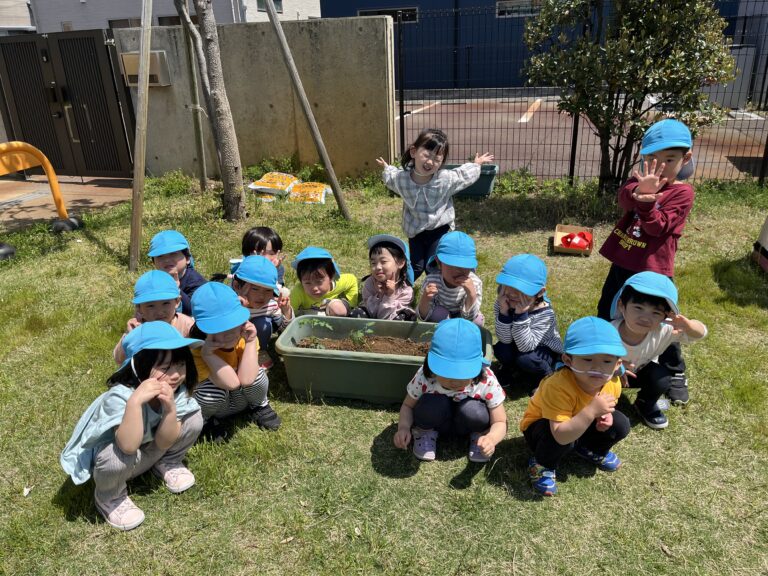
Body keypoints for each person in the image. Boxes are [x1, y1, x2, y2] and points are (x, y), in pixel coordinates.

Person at [60, 322, 204, 531]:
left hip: (150, 451)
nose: (175, 375)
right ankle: (110, 497)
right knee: (115, 455)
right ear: (140, 367)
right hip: (118, 463)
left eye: (180, 364)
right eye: (165, 368)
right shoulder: (120, 396)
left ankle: (168, 463)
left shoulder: (177, 391)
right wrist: (135, 403)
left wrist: (170, 410)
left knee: (194, 417)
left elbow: (165, 441)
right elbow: (127, 446)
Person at [595, 119, 695, 405]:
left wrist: (649, 200)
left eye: (669, 159)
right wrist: (638, 193)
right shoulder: (638, 181)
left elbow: (657, 227)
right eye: (652, 159)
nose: (659, 166)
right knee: (608, 310)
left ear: (685, 158)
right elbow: (625, 199)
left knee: (664, 323)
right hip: (624, 263)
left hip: (654, 272)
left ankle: (675, 371)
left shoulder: (682, 193)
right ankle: (605, 358)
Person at [520, 317, 630, 496]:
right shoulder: (558, 386)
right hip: (545, 428)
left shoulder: (613, 383)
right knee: (564, 439)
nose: (598, 368)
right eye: (587, 360)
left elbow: (607, 407)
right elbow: (560, 434)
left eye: (607, 361)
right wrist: (592, 411)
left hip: (579, 422)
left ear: (618, 364)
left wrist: (605, 416)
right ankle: (542, 463)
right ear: (568, 360)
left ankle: (590, 449)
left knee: (620, 423)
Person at [376, 128, 494, 279]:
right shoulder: (402, 179)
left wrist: (476, 164)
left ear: (442, 162)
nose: (430, 162)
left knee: (432, 265)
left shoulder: (444, 180)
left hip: (439, 228)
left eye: (437, 159)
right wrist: (387, 168)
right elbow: (391, 177)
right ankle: (402, 292)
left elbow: (462, 175)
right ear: (413, 152)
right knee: (416, 266)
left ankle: (437, 293)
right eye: (426, 155)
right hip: (415, 229)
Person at [393, 318, 506, 463]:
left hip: (468, 423)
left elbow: (501, 421)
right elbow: (408, 405)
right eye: (446, 372)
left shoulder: (486, 379)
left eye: (463, 374)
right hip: (436, 420)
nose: (454, 381)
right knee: (431, 405)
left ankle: (478, 436)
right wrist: (403, 427)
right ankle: (425, 431)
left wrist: (491, 438)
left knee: (474, 411)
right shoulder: (426, 376)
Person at [610, 272, 707, 429]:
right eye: (638, 308)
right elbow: (589, 361)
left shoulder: (663, 331)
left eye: (655, 313)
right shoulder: (608, 332)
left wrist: (688, 325)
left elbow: (701, 333)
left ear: (665, 316)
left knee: (661, 376)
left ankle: (644, 403)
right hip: (606, 374)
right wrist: (616, 368)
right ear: (622, 305)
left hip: (636, 374)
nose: (645, 318)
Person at [190, 282, 281, 441]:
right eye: (218, 328)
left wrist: (251, 341)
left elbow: (247, 379)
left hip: (244, 399)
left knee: (257, 373)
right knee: (208, 390)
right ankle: (205, 421)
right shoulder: (198, 349)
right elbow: (230, 383)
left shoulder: (245, 337)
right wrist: (209, 355)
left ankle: (259, 406)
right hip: (218, 406)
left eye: (233, 324)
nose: (229, 334)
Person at [493, 254, 563, 394]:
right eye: (508, 286)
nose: (512, 293)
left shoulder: (545, 314)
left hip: (541, 350)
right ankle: (511, 368)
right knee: (501, 348)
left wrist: (520, 315)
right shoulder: (503, 303)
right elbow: (504, 338)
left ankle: (546, 376)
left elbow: (526, 346)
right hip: (517, 342)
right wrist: (504, 313)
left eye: (521, 289)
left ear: (539, 293)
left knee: (526, 358)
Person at [113, 270, 195, 365]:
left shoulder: (187, 325)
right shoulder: (139, 328)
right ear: (139, 309)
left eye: (165, 303)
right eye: (151, 306)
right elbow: (119, 359)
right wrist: (129, 336)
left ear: (177, 302)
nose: (159, 311)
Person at [231, 255, 293, 369]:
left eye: (268, 290)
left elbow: (285, 331)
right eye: (255, 289)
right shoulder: (229, 302)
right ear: (237, 286)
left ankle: (260, 351)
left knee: (262, 323)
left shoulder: (271, 305)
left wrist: (286, 311)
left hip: (256, 340)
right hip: (229, 342)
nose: (261, 296)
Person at [418, 231, 484, 326]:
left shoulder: (474, 283)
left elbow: (471, 318)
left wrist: (471, 294)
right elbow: (423, 317)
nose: (460, 270)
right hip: (441, 318)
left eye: (465, 265)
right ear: (439, 262)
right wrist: (425, 299)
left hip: (464, 318)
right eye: (453, 265)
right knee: (439, 314)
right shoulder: (432, 281)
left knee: (477, 321)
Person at [350, 234, 416, 321]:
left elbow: (385, 317)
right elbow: (372, 313)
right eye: (373, 263)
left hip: (392, 324)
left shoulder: (405, 291)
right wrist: (378, 295)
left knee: (408, 315)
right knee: (356, 313)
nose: (377, 267)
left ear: (400, 263)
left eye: (383, 261)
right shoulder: (370, 284)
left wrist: (389, 296)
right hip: (371, 320)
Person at [149, 230, 207, 316]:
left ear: (187, 258)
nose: (167, 260)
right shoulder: (154, 280)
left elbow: (193, 311)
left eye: (173, 254)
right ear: (154, 262)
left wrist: (176, 289)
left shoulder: (196, 282)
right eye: (160, 256)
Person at [289, 246, 359, 317]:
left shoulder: (338, 283)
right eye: (307, 283)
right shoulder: (298, 291)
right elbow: (289, 312)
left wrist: (351, 304)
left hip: (332, 308)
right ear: (301, 281)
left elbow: (352, 280)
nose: (314, 288)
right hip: (309, 314)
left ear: (331, 277)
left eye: (319, 282)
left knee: (337, 309)